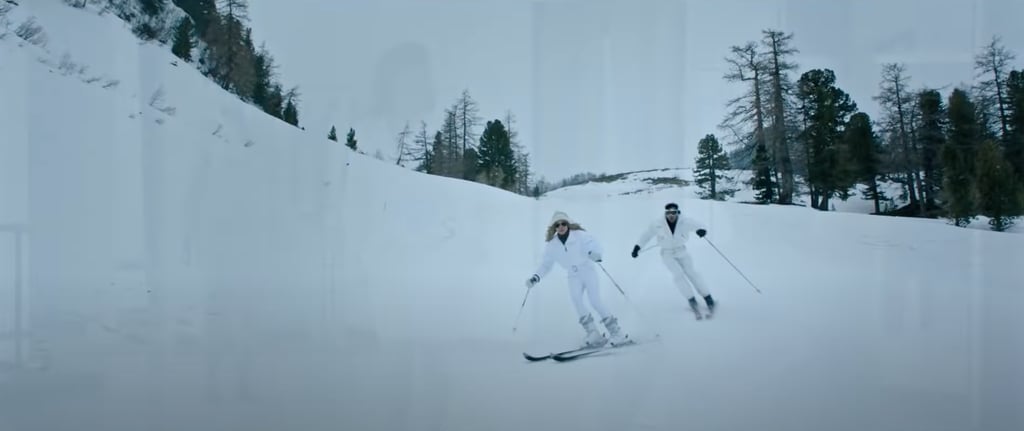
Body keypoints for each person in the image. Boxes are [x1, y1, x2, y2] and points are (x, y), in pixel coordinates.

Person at [525, 211, 628, 347]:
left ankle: (617, 333)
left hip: (587, 270)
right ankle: (593, 333)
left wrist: (594, 253)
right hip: (573, 275)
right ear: (554, 227)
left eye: (563, 223)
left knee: (595, 300)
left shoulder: (580, 235)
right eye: (557, 224)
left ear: (568, 224)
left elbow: (594, 244)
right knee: (576, 300)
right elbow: (546, 264)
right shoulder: (552, 245)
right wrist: (536, 277)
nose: (561, 226)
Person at [631, 202, 716, 316]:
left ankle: (708, 298)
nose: (671, 215)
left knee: (692, 273)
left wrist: (701, 230)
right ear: (666, 213)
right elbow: (646, 235)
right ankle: (691, 300)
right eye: (669, 212)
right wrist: (637, 247)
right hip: (667, 254)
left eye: (674, 212)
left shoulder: (684, 222)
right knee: (678, 275)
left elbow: (699, 225)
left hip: (682, 251)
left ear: (677, 212)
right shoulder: (657, 224)